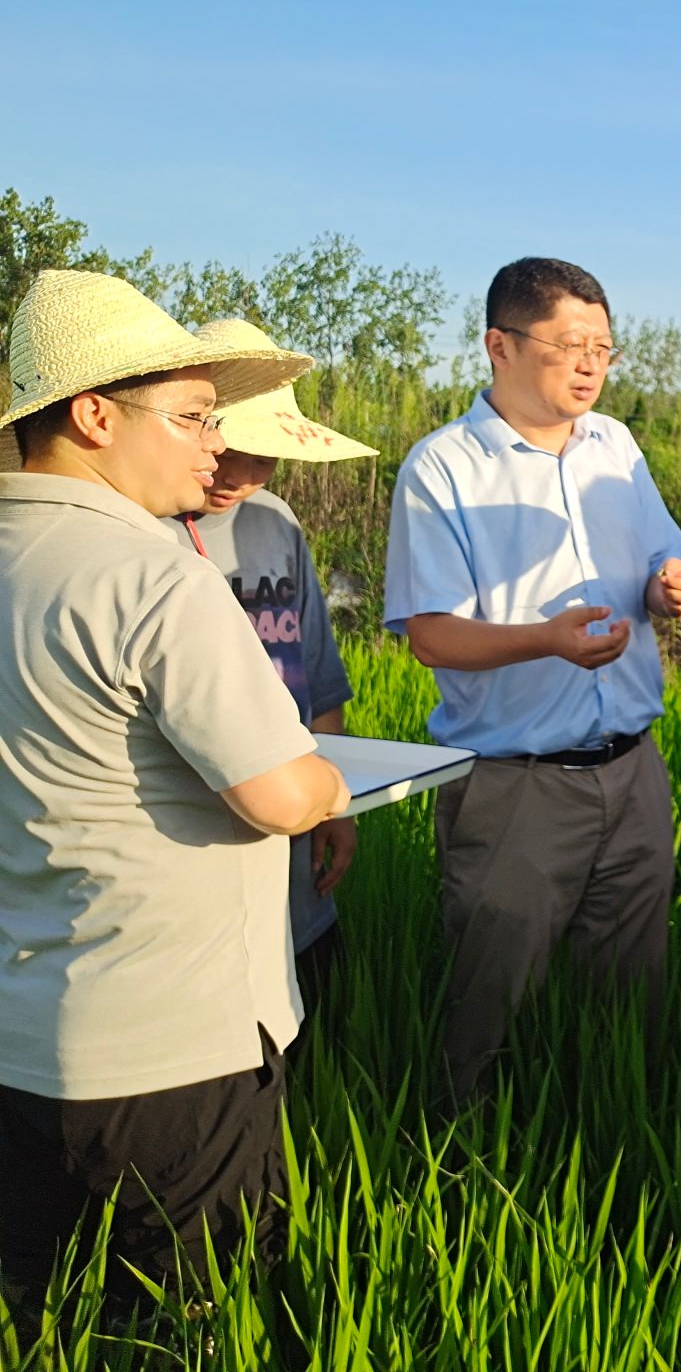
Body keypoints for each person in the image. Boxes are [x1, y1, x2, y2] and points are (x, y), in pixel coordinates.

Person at [0, 271, 347, 1307]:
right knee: (194, 1321)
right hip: (168, 1050)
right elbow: (280, 795)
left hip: (22, 1037)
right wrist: (330, 778)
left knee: (42, 1319)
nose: (214, 441)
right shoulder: (155, 578)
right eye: (194, 416)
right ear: (96, 415)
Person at [384, 256, 681, 1105]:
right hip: (515, 787)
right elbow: (430, 634)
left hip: (633, 772)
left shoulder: (616, 447)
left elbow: (656, 560)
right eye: (570, 346)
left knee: (630, 1000)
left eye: (604, 346)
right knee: (487, 1000)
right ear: (500, 345)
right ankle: (452, 1164)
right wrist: (545, 641)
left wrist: (673, 586)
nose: (591, 365)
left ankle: (613, 1149)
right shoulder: (444, 468)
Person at [169, 327, 380, 1019]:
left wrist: (335, 806)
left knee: (318, 1020)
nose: (244, 476)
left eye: (268, 458)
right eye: (233, 451)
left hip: (295, 831)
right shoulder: (145, 536)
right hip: (193, 840)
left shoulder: (275, 523)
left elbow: (316, 673)